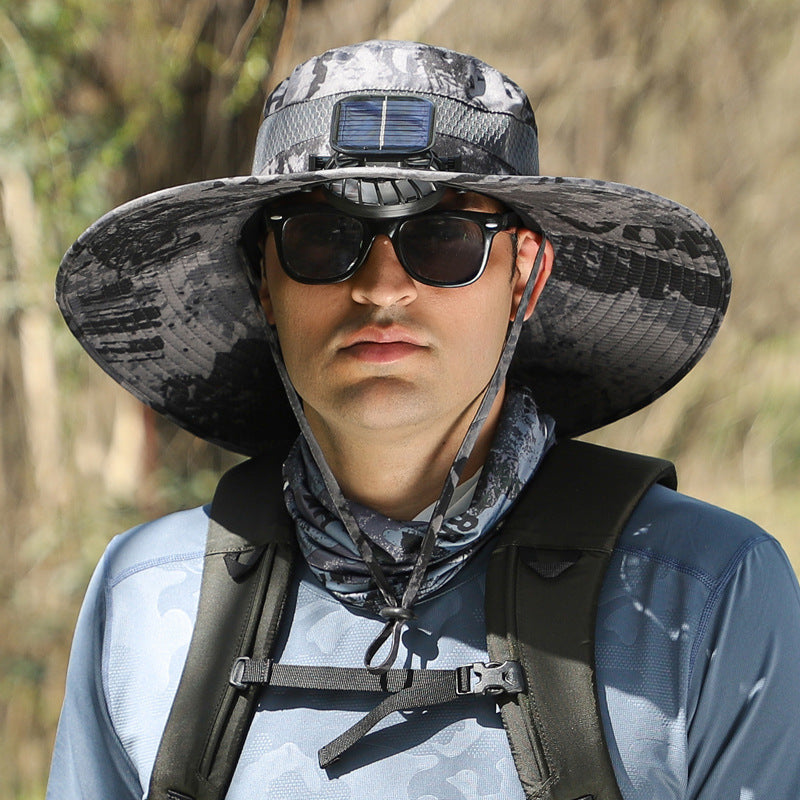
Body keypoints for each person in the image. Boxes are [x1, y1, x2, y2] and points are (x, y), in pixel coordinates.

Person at [48, 40, 800, 800]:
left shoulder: (707, 593)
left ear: (525, 276)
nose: (382, 289)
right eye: (322, 238)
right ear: (264, 280)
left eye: (443, 239)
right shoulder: (143, 595)